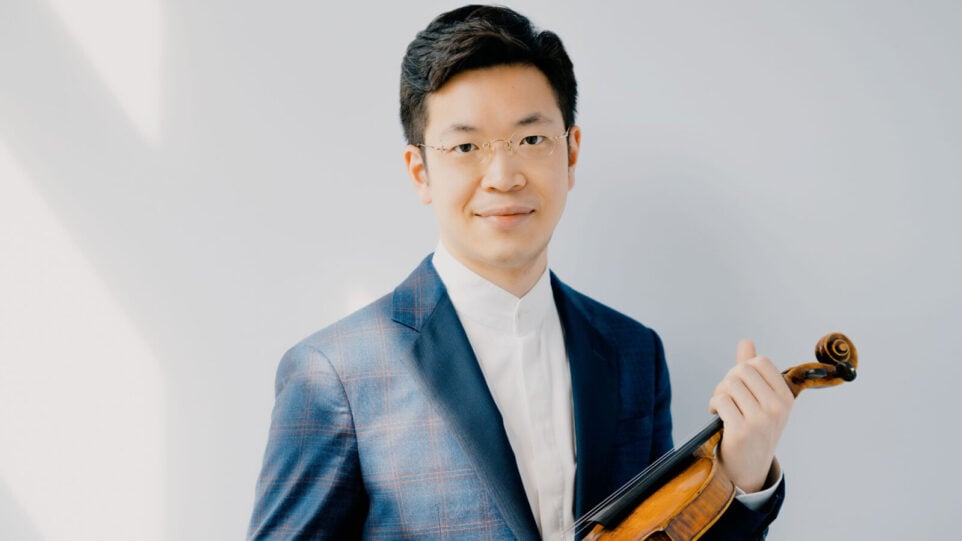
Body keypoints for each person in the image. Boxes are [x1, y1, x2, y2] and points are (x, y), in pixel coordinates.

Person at [248, 5, 792, 540]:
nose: (503, 176)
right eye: (465, 147)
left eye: (531, 140)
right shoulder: (333, 374)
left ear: (571, 153)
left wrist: (742, 475)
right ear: (421, 172)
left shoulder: (634, 354)